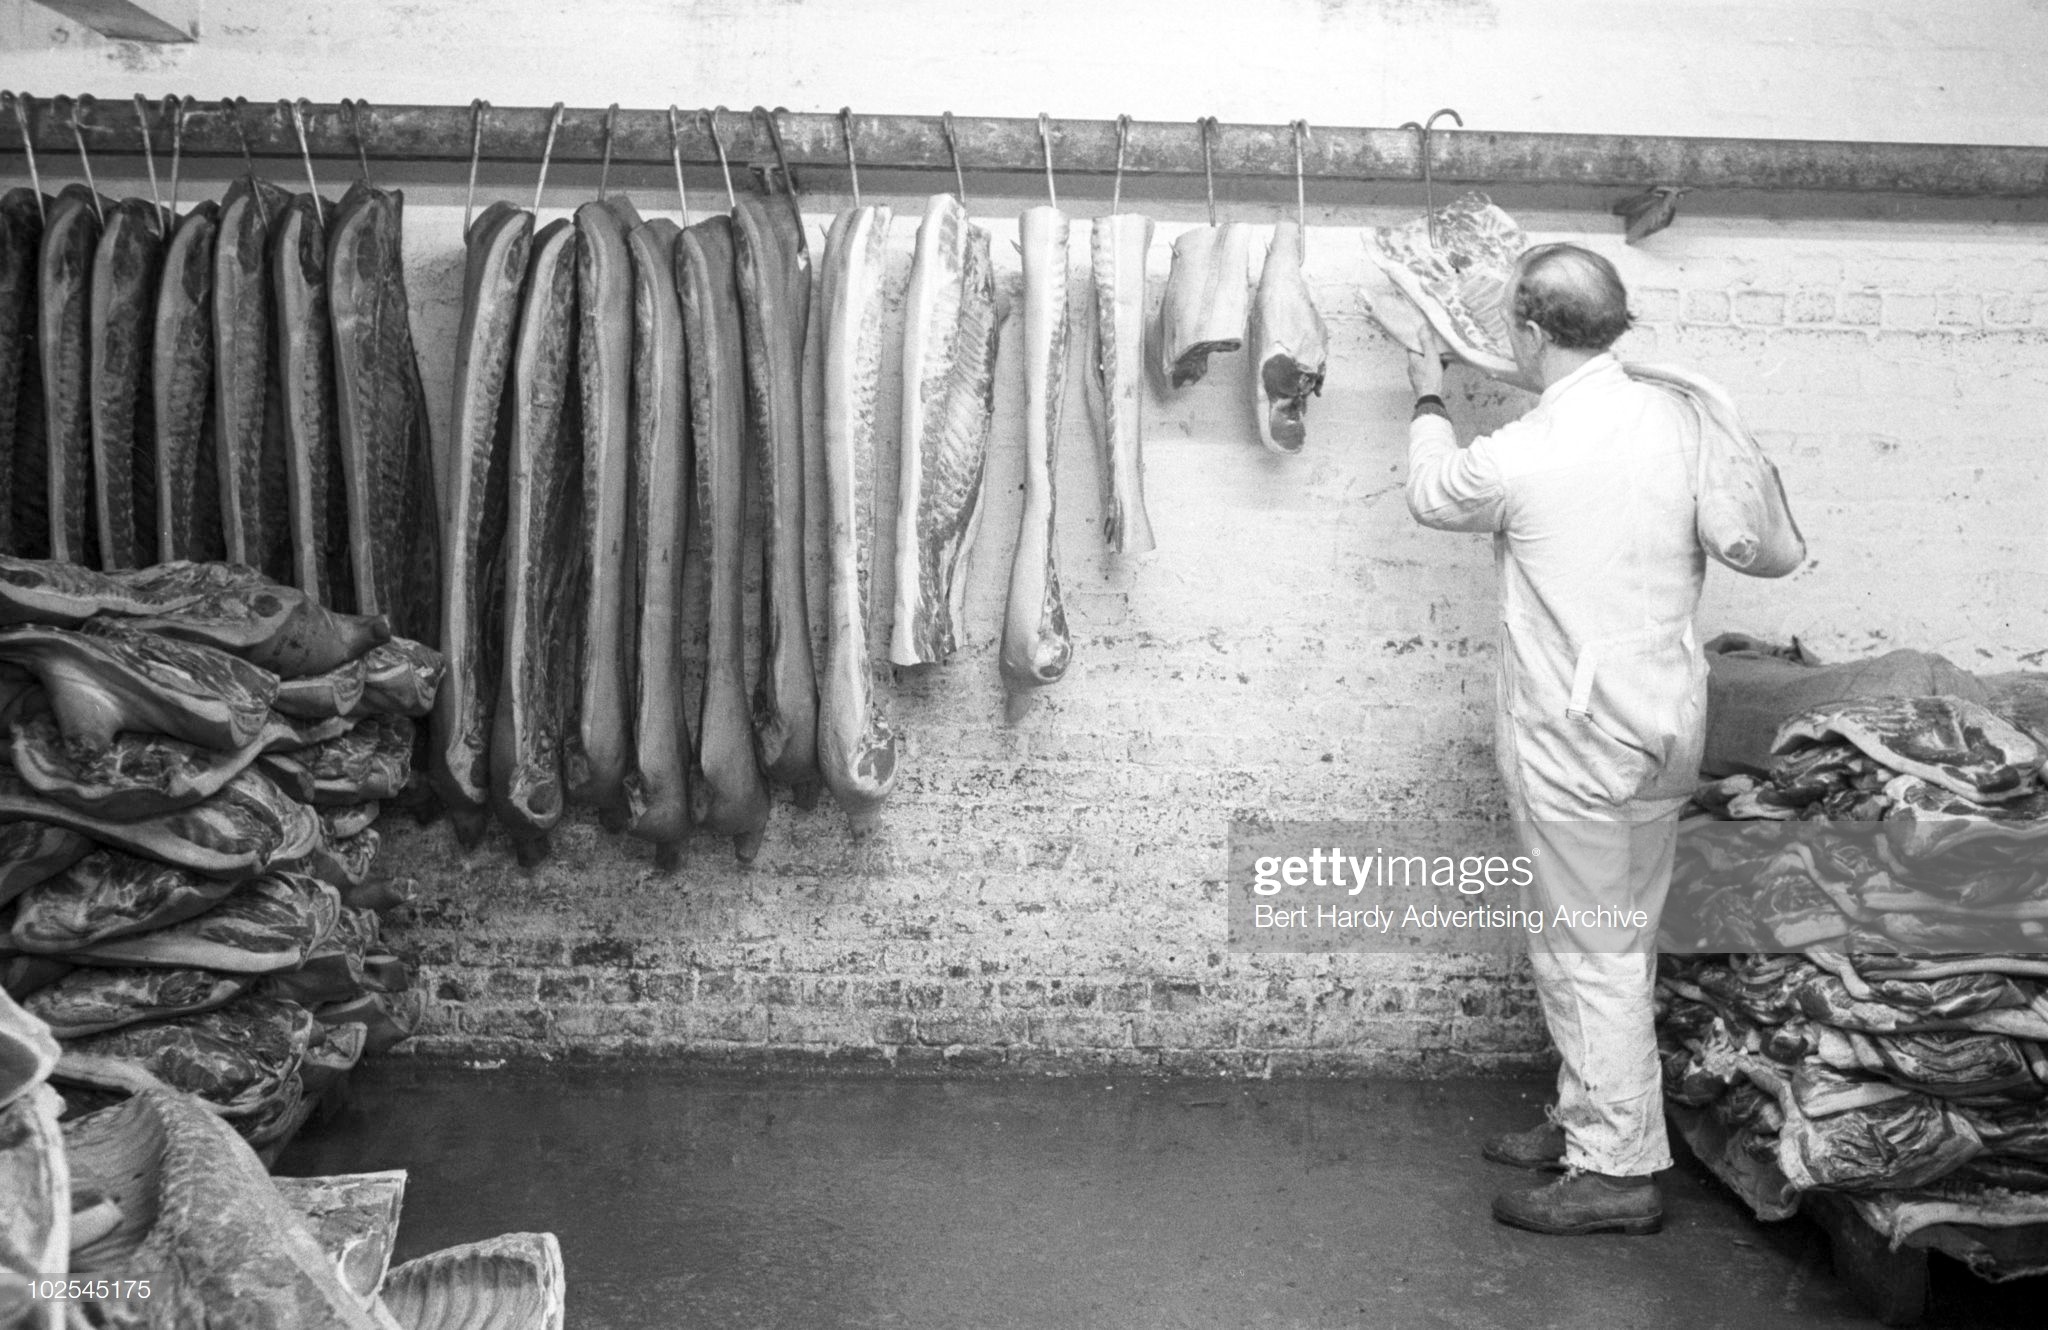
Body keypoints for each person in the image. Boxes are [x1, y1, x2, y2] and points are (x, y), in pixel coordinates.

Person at [1403, 243, 1709, 1237]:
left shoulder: (1523, 451)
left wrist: (1424, 391)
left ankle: (1613, 1171)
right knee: (1598, 932)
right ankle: (1587, 1116)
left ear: (1531, 331)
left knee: (1594, 949)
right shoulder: (1674, 416)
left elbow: (1430, 491)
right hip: (1661, 724)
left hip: (1578, 739)